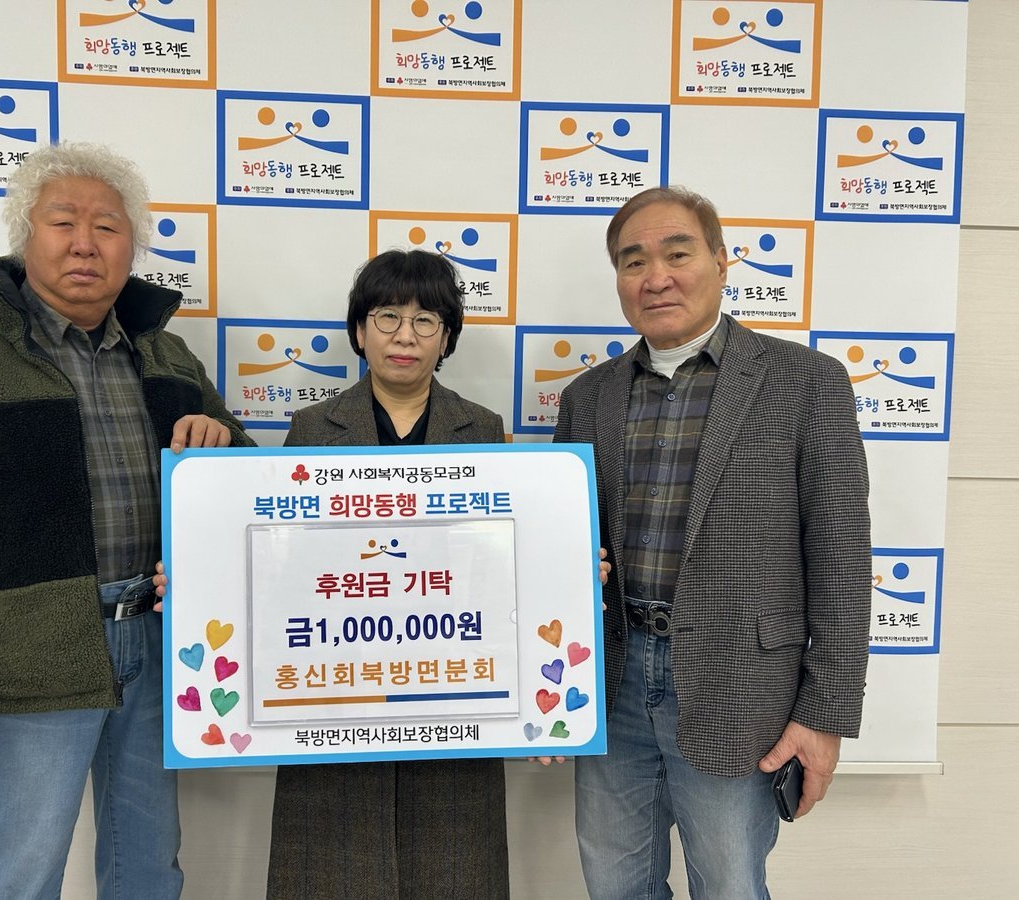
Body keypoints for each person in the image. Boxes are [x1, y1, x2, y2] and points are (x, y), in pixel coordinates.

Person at [0, 141, 252, 899]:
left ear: (133, 247)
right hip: (22, 662)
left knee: (149, 870)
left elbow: (246, 498)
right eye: (63, 221)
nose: (85, 243)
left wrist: (222, 443)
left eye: (108, 226)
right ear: (23, 237)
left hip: (163, 652)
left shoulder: (167, 357)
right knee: (19, 879)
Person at [555, 186, 871, 898]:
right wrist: (543, 700)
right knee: (613, 885)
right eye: (633, 261)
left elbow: (843, 559)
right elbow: (564, 551)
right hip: (610, 684)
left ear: (722, 262)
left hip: (741, 687)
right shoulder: (587, 397)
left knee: (729, 886)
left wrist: (824, 714)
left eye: (678, 254)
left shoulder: (806, 382)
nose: (656, 277)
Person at [265, 249, 511, 899]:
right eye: (388, 317)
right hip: (335, 688)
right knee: (330, 871)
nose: (406, 336)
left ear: (447, 339)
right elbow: (283, 566)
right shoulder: (312, 429)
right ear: (359, 330)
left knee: (455, 870)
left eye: (426, 321)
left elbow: (500, 568)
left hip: (452, 687)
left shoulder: (483, 431)